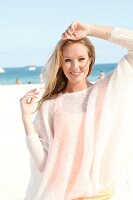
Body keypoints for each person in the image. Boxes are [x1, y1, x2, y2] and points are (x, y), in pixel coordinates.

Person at [19, 21, 133, 200]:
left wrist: (91, 30)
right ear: (61, 64)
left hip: (99, 194)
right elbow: (43, 163)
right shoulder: (51, 105)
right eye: (67, 60)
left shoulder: (105, 92)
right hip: (61, 195)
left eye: (81, 59)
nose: (75, 67)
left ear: (91, 60)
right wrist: (26, 116)